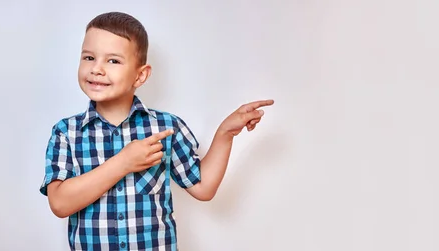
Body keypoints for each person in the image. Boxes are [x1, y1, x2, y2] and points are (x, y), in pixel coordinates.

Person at [39, 11, 274, 250]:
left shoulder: (166, 127)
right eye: (89, 57)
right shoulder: (66, 132)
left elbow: (204, 187)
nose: (97, 69)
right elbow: (60, 203)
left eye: (113, 61)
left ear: (140, 75)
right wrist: (124, 162)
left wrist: (225, 133)